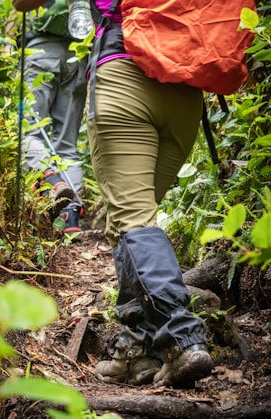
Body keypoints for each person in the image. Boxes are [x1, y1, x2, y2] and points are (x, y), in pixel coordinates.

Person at [86, 0, 214, 387]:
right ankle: (138, 351)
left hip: (124, 74)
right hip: (186, 90)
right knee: (131, 227)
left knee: (132, 222)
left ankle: (181, 338)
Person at [12, 0, 87, 237]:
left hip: (40, 54)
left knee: (28, 131)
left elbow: (18, 8)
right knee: (67, 146)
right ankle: (70, 216)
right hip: (78, 58)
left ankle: (53, 181)